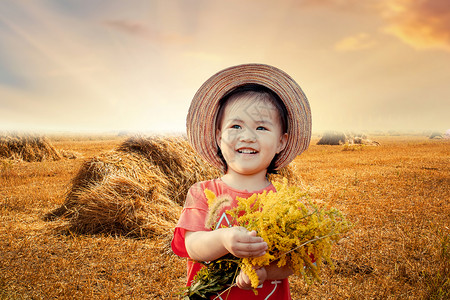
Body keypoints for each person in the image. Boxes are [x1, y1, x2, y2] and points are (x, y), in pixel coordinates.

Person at [171, 64, 311, 299]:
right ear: (218, 136)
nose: (247, 136)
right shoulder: (202, 193)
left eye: (261, 127)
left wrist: (264, 272)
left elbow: (299, 260)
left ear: (281, 142)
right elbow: (192, 246)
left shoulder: (287, 204)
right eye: (235, 126)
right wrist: (224, 238)